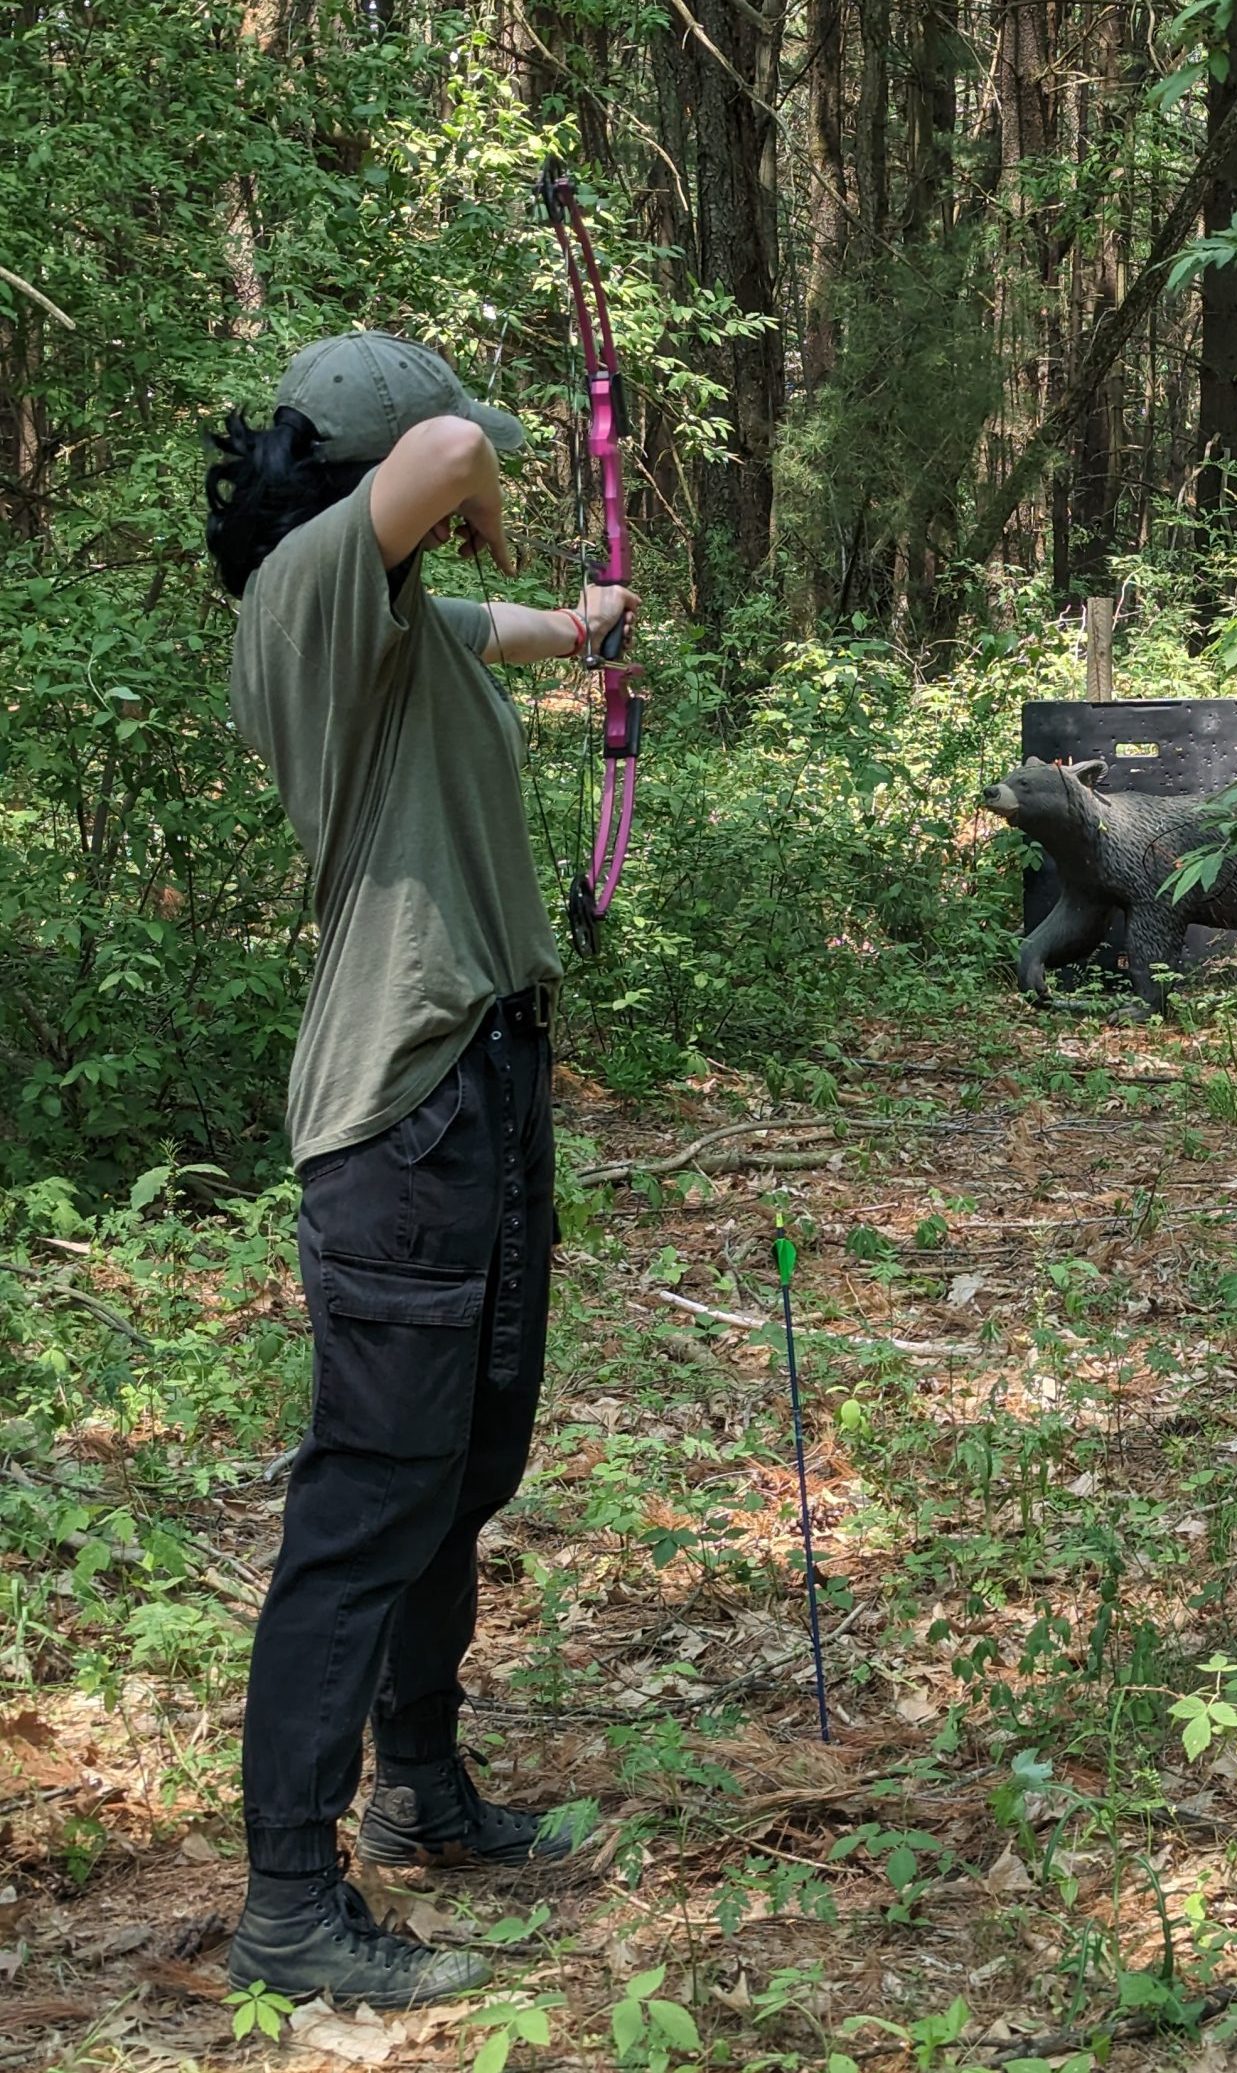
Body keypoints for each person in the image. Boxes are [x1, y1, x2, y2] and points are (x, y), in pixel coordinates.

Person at [204, 332, 638, 2009]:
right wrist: (495, 513)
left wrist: (578, 627)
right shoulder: (308, 599)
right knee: (369, 1493)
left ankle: (425, 1784)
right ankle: (290, 1900)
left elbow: (504, 629)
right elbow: (456, 447)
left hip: (478, 1076)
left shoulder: (391, 624)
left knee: (463, 1459)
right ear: (361, 477)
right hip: (401, 1107)